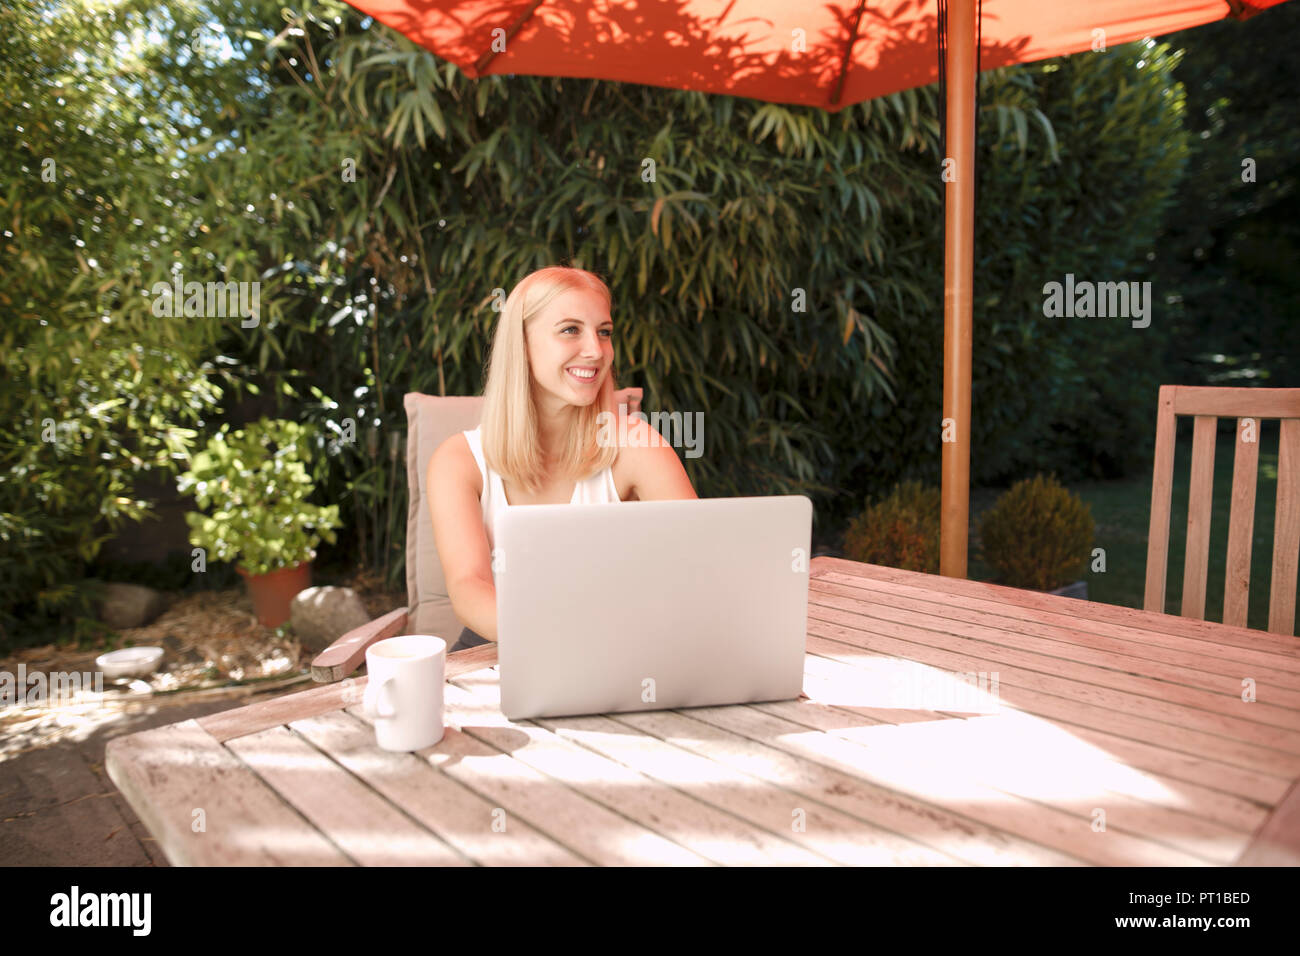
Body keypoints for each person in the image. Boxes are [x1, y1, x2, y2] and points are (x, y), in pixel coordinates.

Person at [427, 265, 698, 652]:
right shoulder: (458, 461)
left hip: (614, 641)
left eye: (604, 332)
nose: (596, 350)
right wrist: (555, 634)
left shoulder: (638, 446)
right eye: (570, 329)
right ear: (521, 344)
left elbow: (698, 565)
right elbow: (470, 587)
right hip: (499, 643)